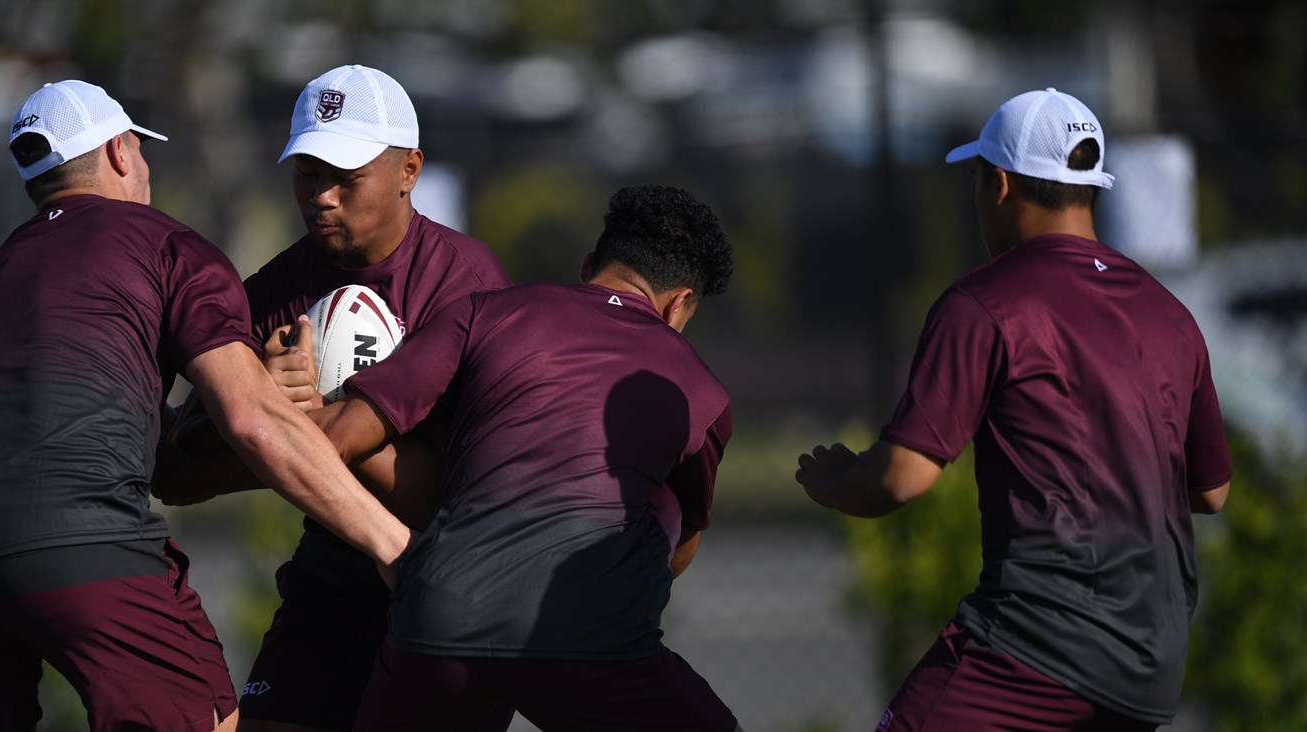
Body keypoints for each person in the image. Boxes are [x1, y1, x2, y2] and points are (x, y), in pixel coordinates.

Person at [0, 79, 411, 732]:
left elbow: (63, 412)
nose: (145, 165)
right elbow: (253, 421)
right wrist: (393, 544)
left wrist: (247, 385)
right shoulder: (166, 244)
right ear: (119, 151)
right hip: (84, 542)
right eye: (140, 148)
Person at [794, 88, 1232, 731]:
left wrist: (834, 483)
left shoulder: (984, 303)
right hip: (1151, 661)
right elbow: (1212, 492)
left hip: (1035, 645)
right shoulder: (1171, 314)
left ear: (998, 184)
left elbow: (901, 477)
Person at [152, 63, 512, 732]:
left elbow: (454, 496)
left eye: (346, 177)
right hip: (332, 573)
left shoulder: (469, 287)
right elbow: (176, 475)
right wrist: (252, 411)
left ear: (409, 170)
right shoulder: (271, 292)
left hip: (454, 577)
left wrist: (304, 424)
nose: (322, 196)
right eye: (308, 173)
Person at [308, 184, 740, 731]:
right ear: (679, 305)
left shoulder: (485, 311)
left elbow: (337, 438)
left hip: (438, 619)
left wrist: (294, 404)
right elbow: (678, 549)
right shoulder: (701, 391)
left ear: (589, 265)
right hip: (587, 641)